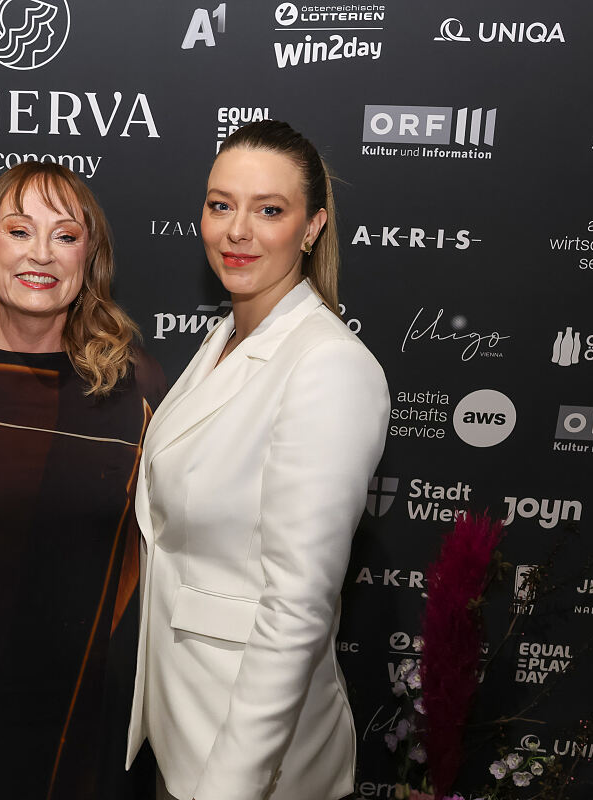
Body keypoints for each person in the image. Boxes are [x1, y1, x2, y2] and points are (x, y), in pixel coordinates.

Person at [125, 120, 390, 800]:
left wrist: (232, 784)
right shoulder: (224, 337)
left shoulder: (327, 365)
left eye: (269, 210)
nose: (236, 230)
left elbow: (298, 605)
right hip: (182, 725)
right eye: (221, 205)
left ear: (312, 227)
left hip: (250, 755)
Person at [0, 162, 162, 800]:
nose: (41, 254)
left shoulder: (137, 388)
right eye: (19, 231)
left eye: (65, 236)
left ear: (89, 259)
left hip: (90, 703)